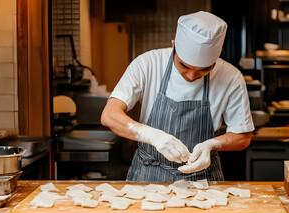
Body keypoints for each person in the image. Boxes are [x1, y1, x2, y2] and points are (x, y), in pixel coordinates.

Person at [101, 11, 254, 181]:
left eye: (204, 69)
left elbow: (243, 137)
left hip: (203, 180)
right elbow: (109, 115)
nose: (190, 76)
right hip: (148, 176)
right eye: (183, 65)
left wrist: (211, 145)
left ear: (218, 54)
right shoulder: (147, 64)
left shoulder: (231, 77)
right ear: (174, 46)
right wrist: (151, 135)